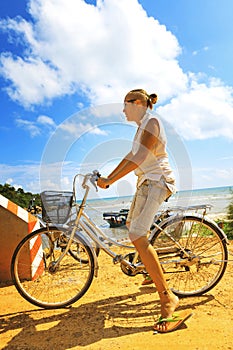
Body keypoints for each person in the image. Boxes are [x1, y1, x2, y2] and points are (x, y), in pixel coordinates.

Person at [97, 89, 190, 333]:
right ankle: (150, 269)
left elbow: (139, 158)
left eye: (125, 105)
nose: (123, 110)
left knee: (138, 235)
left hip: (158, 181)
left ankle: (168, 297)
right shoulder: (141, 128)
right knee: (132, 228)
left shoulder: (153, 120)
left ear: (137, 103)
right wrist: (108, 177)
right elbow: (131, 155)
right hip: (145, 182)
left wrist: (111, 180)